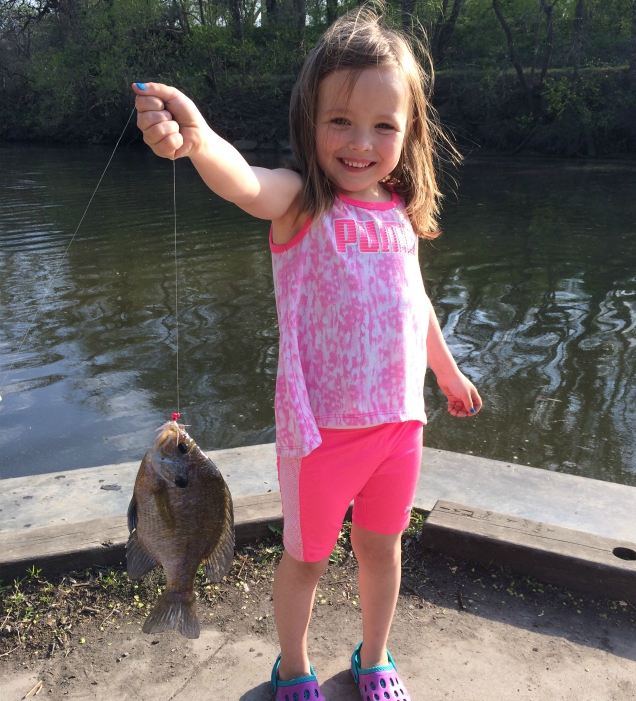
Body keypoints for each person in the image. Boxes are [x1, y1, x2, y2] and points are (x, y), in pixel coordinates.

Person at [133, 5, 482, 700]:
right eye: (340, 121)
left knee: (381, 550)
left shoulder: (401, 211)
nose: (362, 141)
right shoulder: (301, 204)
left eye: (384, 125)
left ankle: (375, 657)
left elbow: (415, 304)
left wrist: (446, 368)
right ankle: (292, 667)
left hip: (398, 426)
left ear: (408, 133)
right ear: (309, 122)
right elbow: (246, 183)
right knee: (306, 558)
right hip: (320, 435)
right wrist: (199, 142)